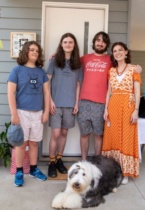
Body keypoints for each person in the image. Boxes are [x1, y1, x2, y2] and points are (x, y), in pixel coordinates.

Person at [78, 32, 142, 160]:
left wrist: (138, 68)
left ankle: (97, 162)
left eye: (103, 41)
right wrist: (56, 54)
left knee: (98, 135)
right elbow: (70, 60)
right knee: (84, 134)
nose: (100, 43)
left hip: (101, 103)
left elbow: (124, 68)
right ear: (94, 42)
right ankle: (84, 161)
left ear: (106, 45)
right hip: (84, 102)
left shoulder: (110, 60)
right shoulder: (84, 58)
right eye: (98, 40)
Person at [7, 41, 50, 187]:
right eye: (32, 50)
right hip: (21, 112)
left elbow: (46, 92)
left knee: (34, 143)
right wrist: (14, 114)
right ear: (25, 51)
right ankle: (19, 171)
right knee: (21, 144)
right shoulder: (17, 70)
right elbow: (11, 93)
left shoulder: (41, 72)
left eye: (37, 51)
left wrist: (46, 112)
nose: (35, 52)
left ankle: (33, 169)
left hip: (37, 113)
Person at [102, 42, 141, 185]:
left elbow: (137, 92)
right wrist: (106, 109)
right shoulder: (111, 71)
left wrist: (136, 110)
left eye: (120, 50)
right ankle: (114, 171)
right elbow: (109, 92)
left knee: (126, 139)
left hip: (128, 106)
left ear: (126, 52)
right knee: (113, 139)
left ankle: (126, 172)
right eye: (115, 50)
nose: (117, 52)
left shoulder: (134, 69)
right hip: (113, 107)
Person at [47, 33, 83, 178]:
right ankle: (51, 162)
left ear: (74, 45)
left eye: (70, 42)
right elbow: (47, 82)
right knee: (55, 134)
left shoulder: (78, 63)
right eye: (65, 42)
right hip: (55, 104)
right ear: (61, 44)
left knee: (64, 133)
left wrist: (76, 102)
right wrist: (49, 100)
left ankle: (59, 159)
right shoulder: (55, 61)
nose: (68, 44)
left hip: (70, 104)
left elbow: (78, 84)